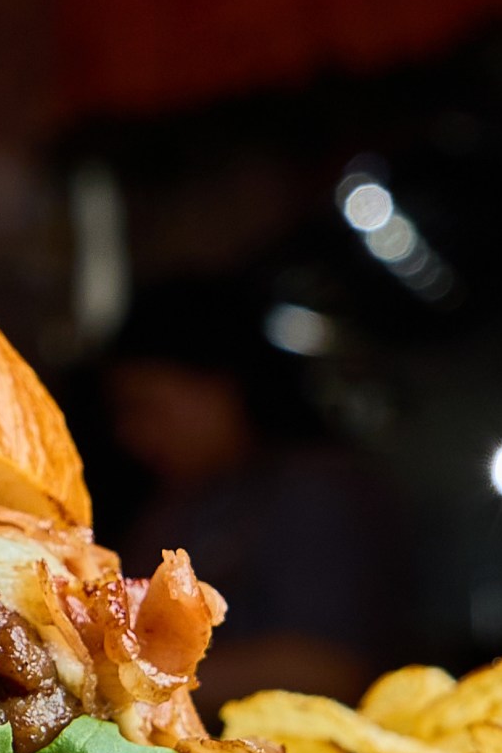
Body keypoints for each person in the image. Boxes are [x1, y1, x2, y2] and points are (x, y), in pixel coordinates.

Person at [101, 284, 410, 709]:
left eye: (147, 406)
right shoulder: (175, 505)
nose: (130, 433)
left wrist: (131, 679)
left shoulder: (314, 492)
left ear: (220, 388)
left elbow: (330, 668)